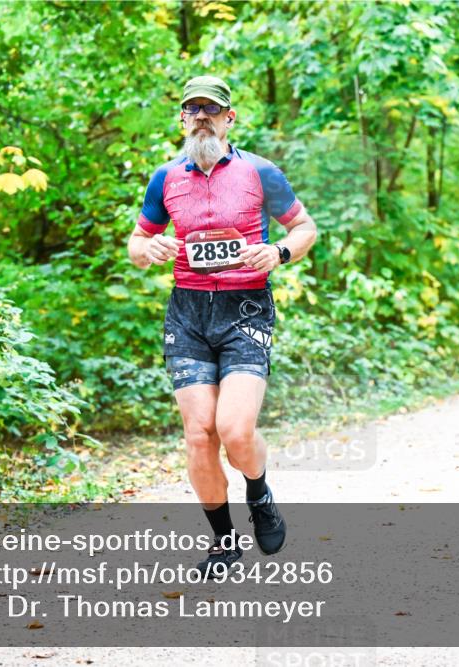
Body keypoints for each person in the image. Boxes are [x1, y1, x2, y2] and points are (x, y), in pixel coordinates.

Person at [128, 76, 318, 576]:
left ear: (229, 118)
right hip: (188, 313)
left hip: (245, 309)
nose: (201, 117)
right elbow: (137, 242)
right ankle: (224, 544)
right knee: (199, 434)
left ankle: (259, 493)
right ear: (182, 119)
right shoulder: (165, 178)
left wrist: (278, 252)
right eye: (192, 109)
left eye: (211, 109)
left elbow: (304, 228)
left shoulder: (261, 172)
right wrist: (148, 248)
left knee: (234, 430)